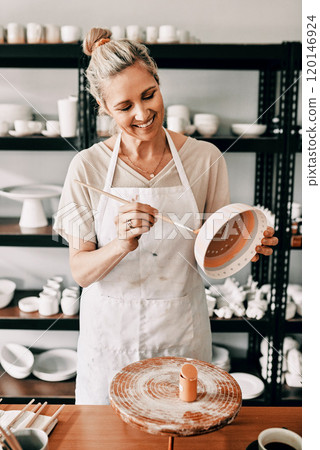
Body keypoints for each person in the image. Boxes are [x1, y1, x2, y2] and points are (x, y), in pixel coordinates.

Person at [53, 27, 278, 405]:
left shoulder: (206, 159)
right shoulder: (85, 168)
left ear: (159, 83)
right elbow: (81, 271)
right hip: (111, 341)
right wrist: (122, 244)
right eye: (124, 107)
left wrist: (242, 245)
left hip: (181, 335)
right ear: (105, 109)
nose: (142, 113)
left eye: (148, 95)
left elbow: (209, 258)